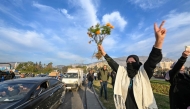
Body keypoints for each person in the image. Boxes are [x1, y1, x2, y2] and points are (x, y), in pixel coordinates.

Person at [98, 20, 166, 109]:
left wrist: (159, 41)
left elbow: (152, 59)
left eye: (132, 62)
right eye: (128, 62)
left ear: (137, 63)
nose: (130, 64)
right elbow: (112, 63)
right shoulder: (123, 72)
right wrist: (103, 53)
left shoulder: (143, 72)